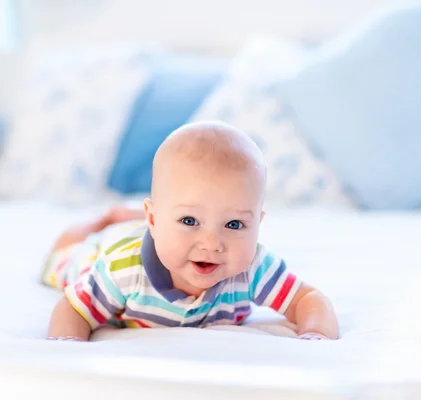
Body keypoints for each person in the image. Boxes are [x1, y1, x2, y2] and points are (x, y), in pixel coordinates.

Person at [42, 121, 339, 341]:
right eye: (190, 220)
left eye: (234, 224)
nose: (212, 243)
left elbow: (307, 299)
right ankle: (104, 220)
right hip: (112, 248)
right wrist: (69, 350)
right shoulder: (120, 269)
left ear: (257, 225)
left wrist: (316, 334)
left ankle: (142, 217)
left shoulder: (254, 268)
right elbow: (73, 308)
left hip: (154, 229)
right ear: (154, 220)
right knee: (65, 264)